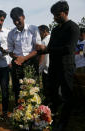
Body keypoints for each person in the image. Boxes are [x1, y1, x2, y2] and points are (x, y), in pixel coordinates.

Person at [36, 1, 80, 130]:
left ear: (65, 12)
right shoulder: (55, 30)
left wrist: (49, 49)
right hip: (53, 67)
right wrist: (41, 50)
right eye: (53, 15)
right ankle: (51, 119)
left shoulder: (73, 28)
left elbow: (69, 49)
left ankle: (63, 123)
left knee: (67, 96)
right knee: (52, 94)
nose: (54, 17)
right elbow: (50, 48)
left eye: (57, 14)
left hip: (66, 67)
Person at [7, 7, 41, 105]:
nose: (17, 22)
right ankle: (20, 111)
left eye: (18, 19)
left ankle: (33, 110)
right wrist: (16, 57)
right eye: (14, 21)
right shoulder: (11, 33)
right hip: (17, 63)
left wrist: (24, 58)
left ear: (23, 17)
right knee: (18, 88)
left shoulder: (33, 29)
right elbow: (10, 51)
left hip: (31, 61)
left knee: (32, 87)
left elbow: (37, 49)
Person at [38, 25, 50, 105]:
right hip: (52, 67)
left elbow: (42, 56)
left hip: (46, 68)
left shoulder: (44, 41)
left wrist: (39, 67)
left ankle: (47, 104)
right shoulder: (53, 38)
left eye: (40, 32)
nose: (39, 35)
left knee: (46, 88)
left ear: (45, 31)